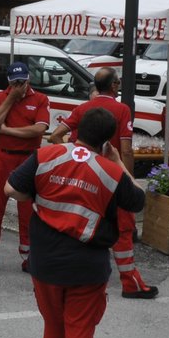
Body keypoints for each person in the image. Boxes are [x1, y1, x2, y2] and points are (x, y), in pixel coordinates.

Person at [6, 108, 144, 338]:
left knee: (54, 323)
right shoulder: (109, 172)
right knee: (79, 328)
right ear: (108, 140)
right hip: (85, 265)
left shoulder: (48, 155)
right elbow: (137, 201)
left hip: (44, 261)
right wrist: (119, 162)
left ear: (76, 129)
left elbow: (12, 190)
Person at [47, 68, 157, 300]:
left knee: (83, 224)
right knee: (124, 230)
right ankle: (130, 283)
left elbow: (54, 136)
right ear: (115, 86)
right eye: (118, 82)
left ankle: (77, 278)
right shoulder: (122, 109)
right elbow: (125, 149)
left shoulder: (83, 108)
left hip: (86, 176)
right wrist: (127, 175)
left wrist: (73, 157)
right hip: (112, 175)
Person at [0, 61, 49, 275]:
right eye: (15, 82)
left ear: (29, 80)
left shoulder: (41, 99)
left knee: (29, 210)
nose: (20, 86)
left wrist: (7, 131)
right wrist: (11, 98)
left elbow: (38, 130)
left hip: (28, 159)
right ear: (8, 81)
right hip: (1, 157)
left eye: (23, 82)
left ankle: (30, 256)